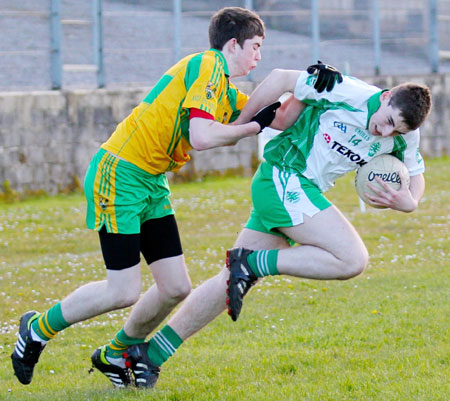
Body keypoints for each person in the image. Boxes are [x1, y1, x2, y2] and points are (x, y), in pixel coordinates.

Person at [10, 7, 340, 388]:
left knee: (175, 288)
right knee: (123, 290)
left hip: (150, 181)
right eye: (256, 46)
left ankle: (116, 355)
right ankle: (36, 329)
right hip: (120, 174)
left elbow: (279, 118)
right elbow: (202, 137)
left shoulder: (221, 88)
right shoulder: (207, 65)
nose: (259, 57)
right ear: (232, 44)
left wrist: (309, 86)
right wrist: (251, 127)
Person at [112, 68, 431, 387]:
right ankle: (251, 264)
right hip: (283, 178)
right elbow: (280, 77)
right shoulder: (348, 92)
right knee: (352, 260)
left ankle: (146, 355)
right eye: (388, 122)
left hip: (298, 190)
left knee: (228, 284)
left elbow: (415, 173)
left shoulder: (403, 133)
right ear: (386, 97)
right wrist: (239, 125)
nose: (385, 134)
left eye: (396, 132)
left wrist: (410, 201)